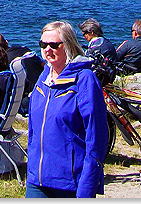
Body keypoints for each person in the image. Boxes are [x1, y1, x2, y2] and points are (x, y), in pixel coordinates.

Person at [26, 20, 108, 198]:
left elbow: (97, 137)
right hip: (37, 180)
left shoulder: (84, 79)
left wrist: (87, 188)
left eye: (54, 45)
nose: (48, 49)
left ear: (68, 45)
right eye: (43, 44)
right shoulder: (44, 77)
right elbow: (33, 129)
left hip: (70, 183)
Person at [0, 32, 44, 105]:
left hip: (27, 100)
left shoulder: (2, 62)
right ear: (6, 43)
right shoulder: (25, 50)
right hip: (42, 90)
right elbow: (43, 64)